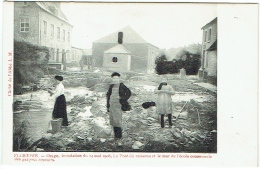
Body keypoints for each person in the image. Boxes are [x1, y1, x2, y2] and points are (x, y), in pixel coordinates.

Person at [106, 72, 131, 146]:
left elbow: (129, 93)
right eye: (114, 78)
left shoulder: (122, 85)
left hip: (118, 105)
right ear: (112, 79)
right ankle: (115, 136)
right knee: (113, 120)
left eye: (117, 78)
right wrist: (108, 106)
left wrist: (122, 98)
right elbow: (108, 96)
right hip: (112, 105)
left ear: (119, 79)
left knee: (118, 120)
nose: (115, 80)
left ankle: (119, 137)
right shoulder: (111, 86)